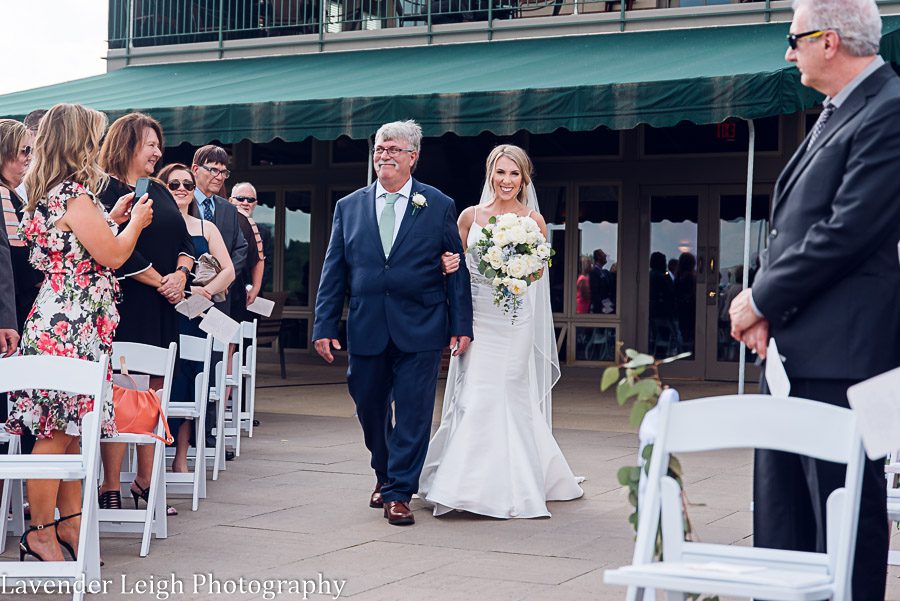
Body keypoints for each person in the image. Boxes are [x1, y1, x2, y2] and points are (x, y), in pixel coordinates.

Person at [728, 1, 900, 597]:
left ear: (830, 41)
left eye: (794, 37)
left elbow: (848, 230)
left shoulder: (891, 109)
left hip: (846, 359)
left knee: (843, 518)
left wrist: (761, 298)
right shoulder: (837, 112)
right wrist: (761, 301)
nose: (787, 51)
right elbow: (791, 226)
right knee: (782, 520)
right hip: (793, 354)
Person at [5, 103, 153, 561]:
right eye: (94, 136)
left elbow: (78, 248)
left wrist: (112, 219)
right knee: (55, 429)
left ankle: (69, 526)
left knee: (70, 427)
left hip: (70, 320)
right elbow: (111, 256)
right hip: (69, 325)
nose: (99, 145)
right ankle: (41, 530)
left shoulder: (55, 192)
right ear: (78, 141)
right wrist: (133, 226)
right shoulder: (72, 194)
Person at [312, 120, 473, 526]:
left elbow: (456, 268)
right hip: (366, 325)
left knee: (415, 411)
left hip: (421, 324)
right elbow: (334, 271)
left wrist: (461, 325)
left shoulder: (438, 204)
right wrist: (324, 325)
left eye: (393, 149)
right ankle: (384, 474)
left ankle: (400, 491)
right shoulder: (348, 207)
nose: (383, 155)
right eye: (380, 149)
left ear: (413, 157)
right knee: (368, 405)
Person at [418, 144, 583, 519]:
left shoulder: (534, 221)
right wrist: (446, 268)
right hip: (477, 317)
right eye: (500, 172)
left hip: (515, 321)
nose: (507, 180)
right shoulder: (469, 217)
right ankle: (465, 484)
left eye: (514, 174)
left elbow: (539, 273)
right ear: (490, 174)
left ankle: (515, 484)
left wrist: (519, 268)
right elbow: (454, 268)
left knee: (509, 391)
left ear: (524, 178)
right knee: (474, 394)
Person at [97, 112, 194, 514]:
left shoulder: (161, 190)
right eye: (149, 144)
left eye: (158, 144)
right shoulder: (104, 189)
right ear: (126, 145)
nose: (157, 151)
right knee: (123, 392)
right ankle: (110, 484)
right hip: (128, 304)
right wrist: (160, 281)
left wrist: (181, 274)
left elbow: (188, 241)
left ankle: (146, 481)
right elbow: (114, 247)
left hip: (164, 304)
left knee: (154, 393)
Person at [158, 163, 235, 474]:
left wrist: (205, 292)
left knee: (191, 380)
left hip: (196, 313)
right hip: (163, 309)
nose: (181, 189)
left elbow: (228, 270)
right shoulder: (153, 224)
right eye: (173, 184)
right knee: (165, 380)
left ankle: (180, 457)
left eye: (187, 185)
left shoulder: (205, 227)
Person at [191, 145, 248, 319]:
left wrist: (223, 279)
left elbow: (241, 248)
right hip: (188, 292)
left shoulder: (229, 209)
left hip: (220, 298)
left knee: (216, 345)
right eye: (214, 170)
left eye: (223, 172)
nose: (220, 177)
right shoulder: (182, 202)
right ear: (195, 169)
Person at [228, 181, 266, 318]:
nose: (245, 202)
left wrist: (256, 288)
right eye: (240, 198)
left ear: (255, 204)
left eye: (250, 200)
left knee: (245, 336)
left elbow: (260, 260)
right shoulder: (221, 222)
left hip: (246, 293)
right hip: (224, 289)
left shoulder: (260, 231)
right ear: (230, 200)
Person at [589, 248, 614, 314]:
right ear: (598, 256)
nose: (605, 255)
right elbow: (595, 293)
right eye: (603, 254)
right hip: (600, 309)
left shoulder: (604, 272)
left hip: (606, 306)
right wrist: (604, 308)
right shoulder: (594, 273)